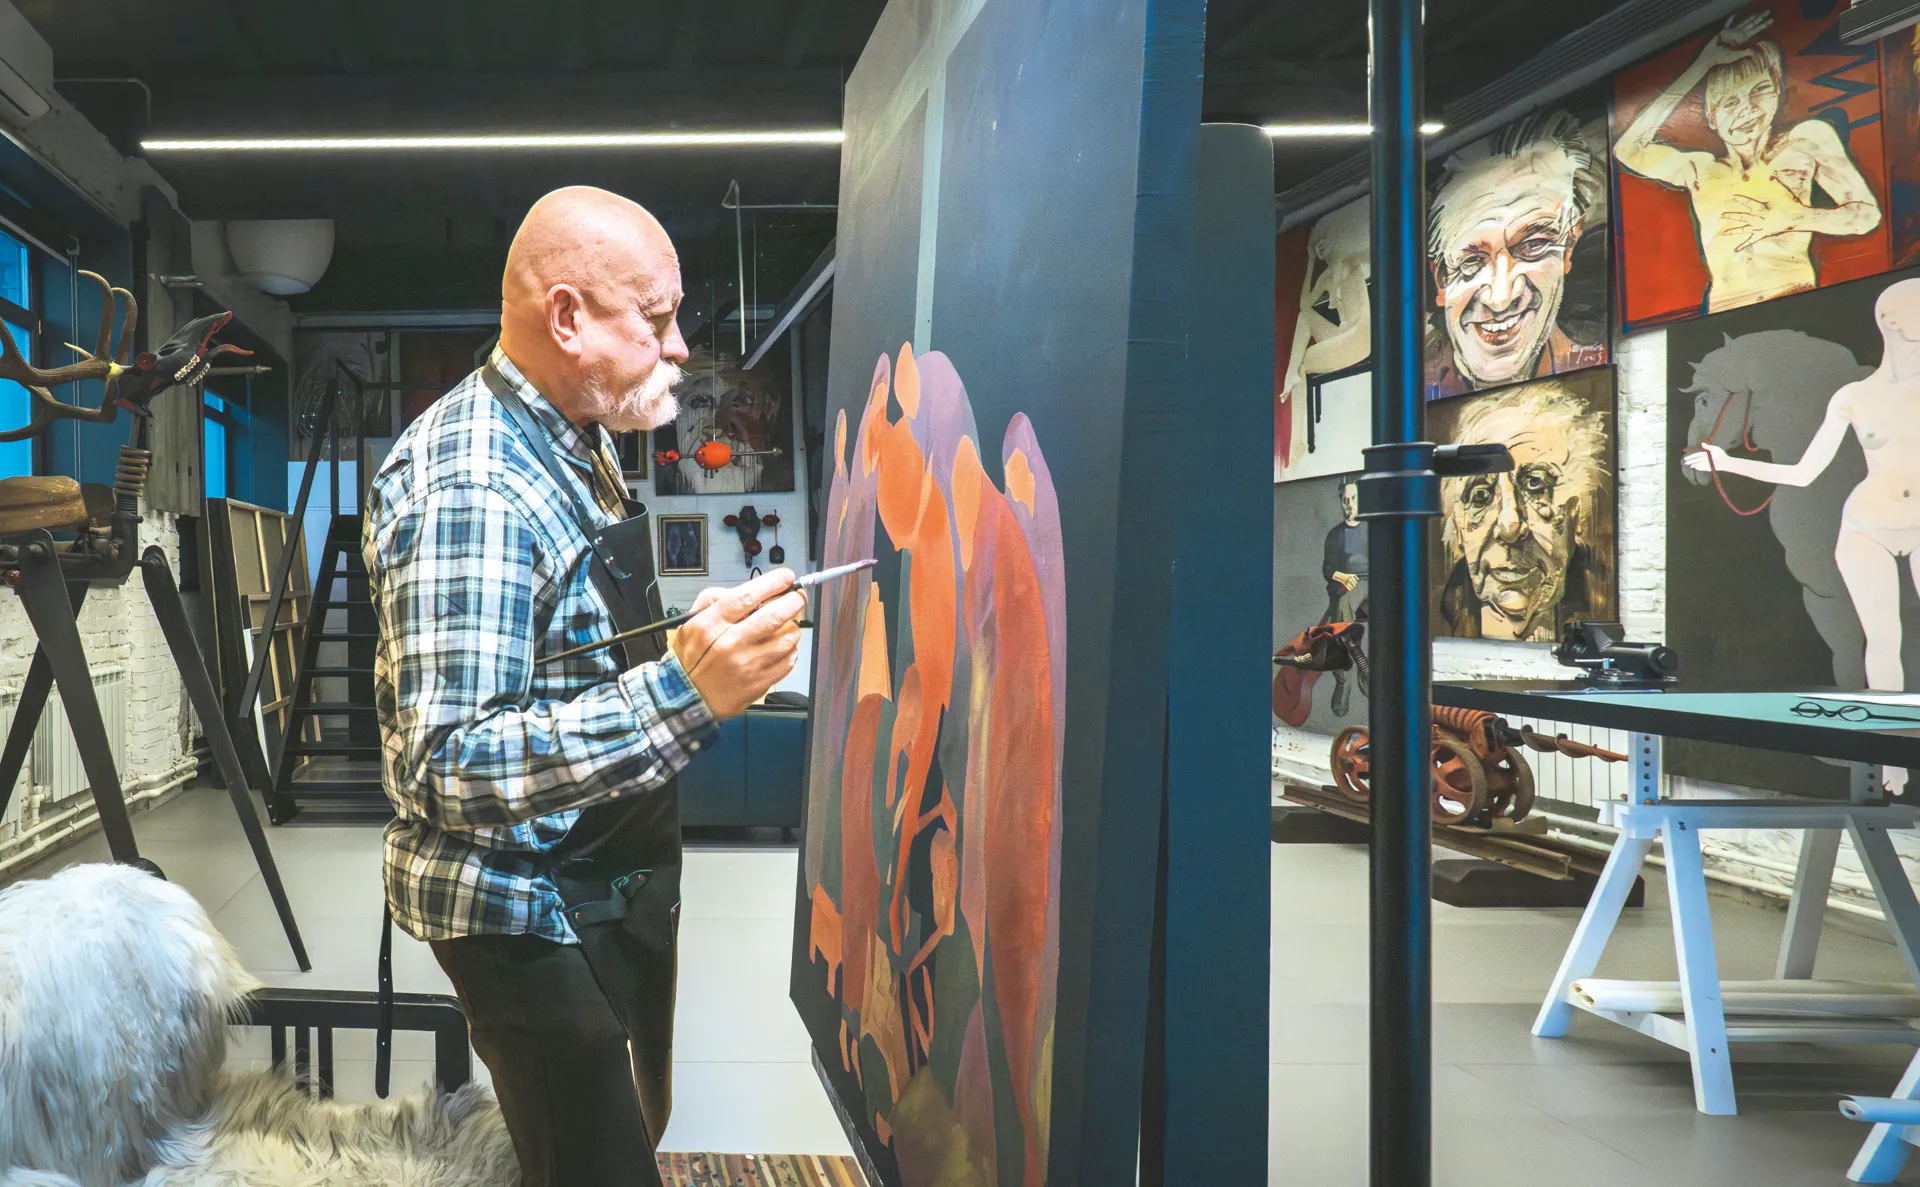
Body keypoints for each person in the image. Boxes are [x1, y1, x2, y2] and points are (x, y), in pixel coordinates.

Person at [364, 185, 806, 1186]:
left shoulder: (578, 436)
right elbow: (447, 765)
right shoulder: (473, 482)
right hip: (525, 909)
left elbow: (565, 651)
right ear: (566, 317)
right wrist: (685, 692)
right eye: (655, 320)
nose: (681, 347)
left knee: (630, 1129)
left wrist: (685, 645)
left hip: (603, 870)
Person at [1685, 278, 1920, 790]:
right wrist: (1728, 462)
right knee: (1881, 640)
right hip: (1867, 523)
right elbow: (1804, 472)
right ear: (1891, 321)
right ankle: (1894, 759)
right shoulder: (1854, 397)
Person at [1615, 12, 1882, 315]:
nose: (1748, 110)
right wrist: (1702, 65)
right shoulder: (1701, 169)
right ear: (1711, 117)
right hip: (1724, 310)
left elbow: (1865, 216)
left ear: (1777, 91)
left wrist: (1791, 218)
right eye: (1730, 102)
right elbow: (1628, 148)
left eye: (1759, 91)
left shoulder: (1806, 139)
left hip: (1792, 296)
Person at [1425, 109, 1608, 398]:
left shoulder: (1599, 374)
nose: (1500, 299)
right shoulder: (1404, 395)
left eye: (1533, 246)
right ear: (1441, 279)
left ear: (1569, 246)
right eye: (1472, 261)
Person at [1439, 381, 1608, 642]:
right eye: (1481, 496)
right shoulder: (1426, 622)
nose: (1510, 526)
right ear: (1459, 526)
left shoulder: (1603, 605)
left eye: (1536, 485)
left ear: (1578, 513)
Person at [1320, 476, 1368, 715]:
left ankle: (1371, 672)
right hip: (1347, 587)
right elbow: (1328, 570)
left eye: (1354, 499)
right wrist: (1343, 577)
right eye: (1345, 500)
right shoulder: (1335, 535)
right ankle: (1346, 680)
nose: (1349, 505)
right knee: (1340, 622)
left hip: (1374, 586)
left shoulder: (1372, 529)